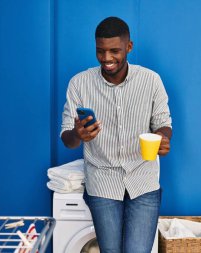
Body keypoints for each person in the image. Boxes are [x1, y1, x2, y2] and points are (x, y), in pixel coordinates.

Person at [60, 16, 172, 253]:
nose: (107, 58)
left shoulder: (151, 81)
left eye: (114, 51)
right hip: (102, 183)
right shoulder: (79, 84)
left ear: (129, 47)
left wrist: (163, 137)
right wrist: (78, 134)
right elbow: (66, 139)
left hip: (143, 181)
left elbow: (163, 123)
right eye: (100, 51)